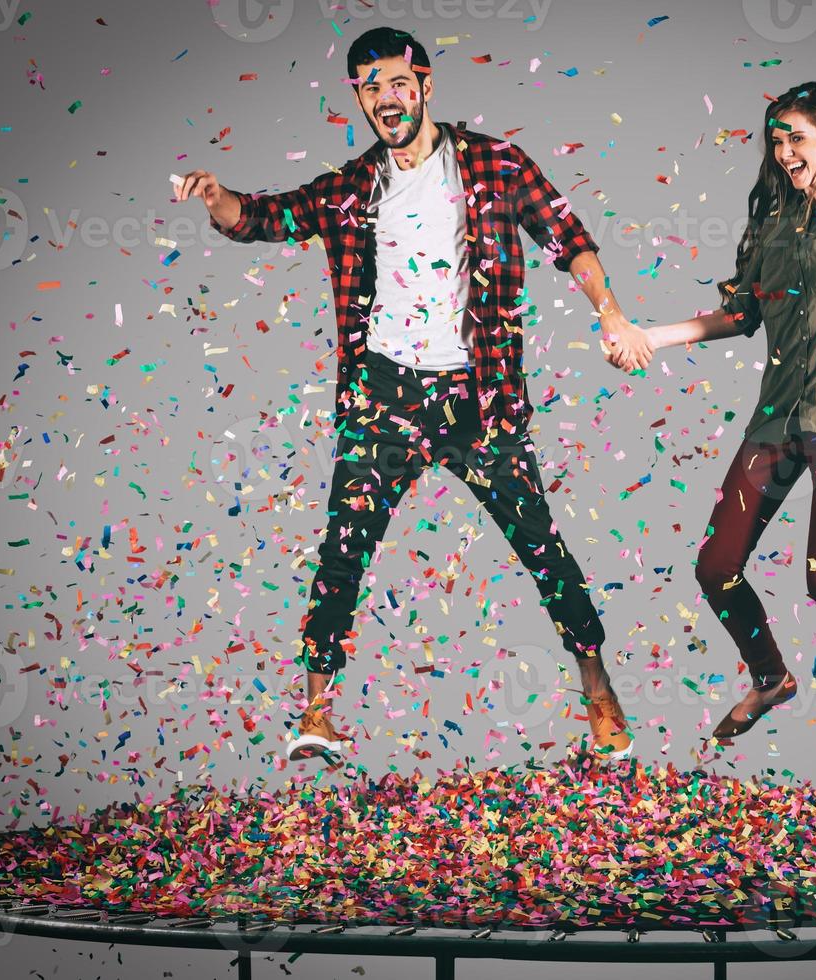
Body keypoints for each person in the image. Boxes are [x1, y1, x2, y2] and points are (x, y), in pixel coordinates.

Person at [176, 26, 651, 764]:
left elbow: (566, 236)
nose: (386, 98)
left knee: (541, 549)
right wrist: (218, 200)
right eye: (370, 87)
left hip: (478, 399)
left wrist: (610, 312)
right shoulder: (349, 187)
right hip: (383, 397)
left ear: (425, 85)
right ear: (358, 99)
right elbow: (266, 218)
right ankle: (317, 715)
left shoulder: (494, 164)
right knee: (343, 552)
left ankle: (598, 694)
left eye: (398, 82)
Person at [612, 82, 816, 794]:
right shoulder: (771, 223)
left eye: (797, 134)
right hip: (777, 421)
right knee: (714, 569)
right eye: (776, 138)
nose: (784, 150)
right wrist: (650, 337)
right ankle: (770, 679)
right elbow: (737, 317)